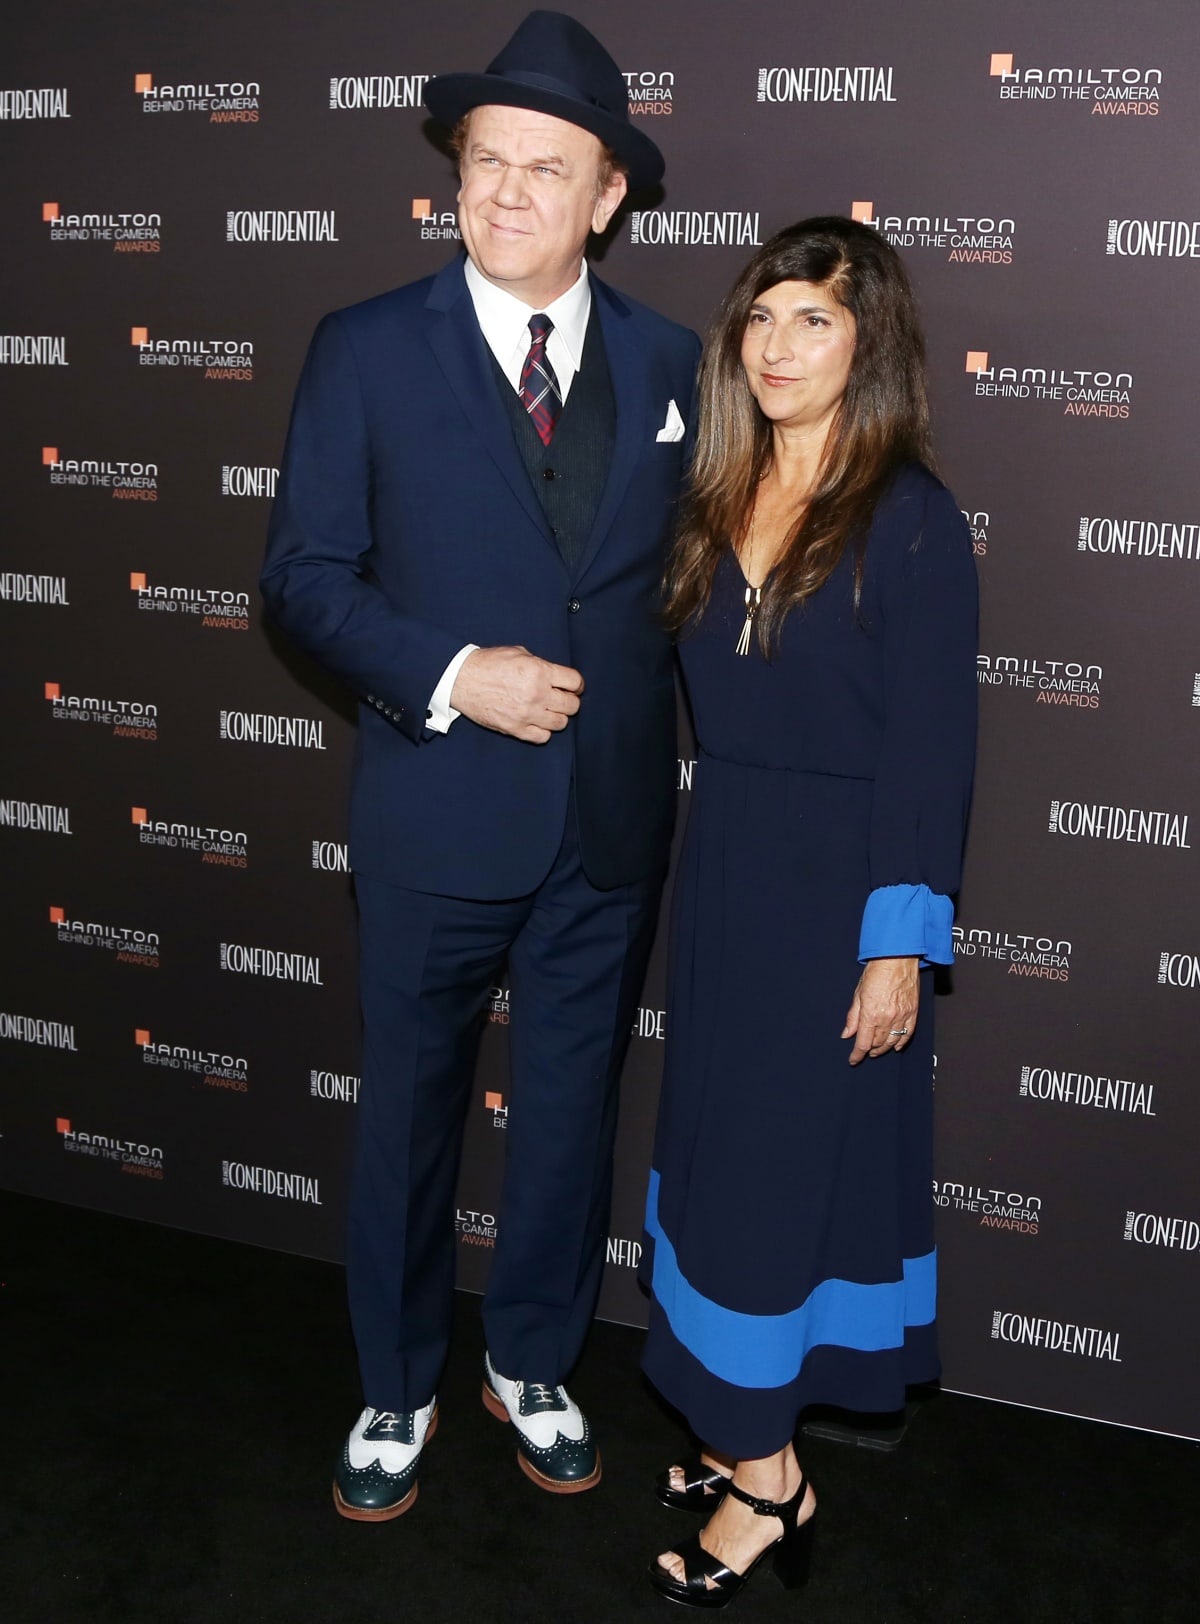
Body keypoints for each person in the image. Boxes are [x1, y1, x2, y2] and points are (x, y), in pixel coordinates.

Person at [260, 10, 700, 1520]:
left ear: (608, 197)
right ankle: (395, 1381)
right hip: (436, 805)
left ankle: (534, 1358)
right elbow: (304, 579)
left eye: (546, 167)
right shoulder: (365, 346)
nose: (508, 191)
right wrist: (456, 675)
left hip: (609, 818)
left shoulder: (675, 363)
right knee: (410, 1113)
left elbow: (698, 588)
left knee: (573, 1109)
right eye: (485, 161)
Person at [641, 217, 978, 1607]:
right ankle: (739, 1427)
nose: (778, 346)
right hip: (726, 870)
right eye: (762, 317)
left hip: (841, 888)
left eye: (815, 322)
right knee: (723, 1166)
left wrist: (897, 940)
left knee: (784, 1183)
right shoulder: (708, 486)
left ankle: (771, 1478)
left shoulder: (910, 517)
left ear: (868, 343)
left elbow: (933, 747)